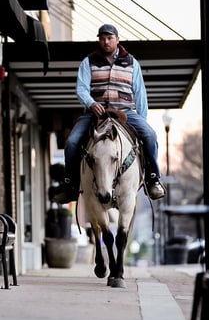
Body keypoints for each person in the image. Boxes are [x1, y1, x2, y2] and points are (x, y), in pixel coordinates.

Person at [52, 23, 166, 204]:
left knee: (150, 135)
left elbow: (140, 93)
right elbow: (81, 88)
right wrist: (90, 103)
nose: (106, 41)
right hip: (96, 114)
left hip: (125, 112)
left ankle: (153, 179)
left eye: (109, 38)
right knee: (72, 142)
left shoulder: (132, 63)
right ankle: (70, 185)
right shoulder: (88, 62)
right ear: (99, 40)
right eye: (102, 38)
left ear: (117, 40)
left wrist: (142, 122)